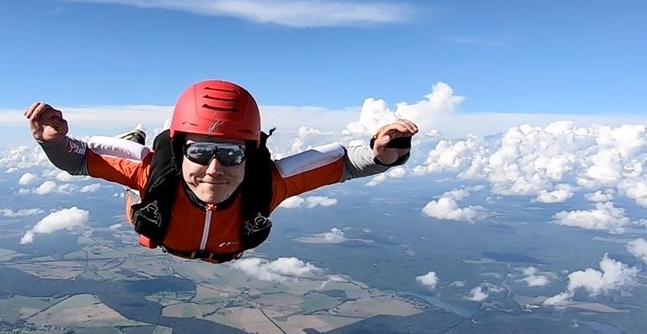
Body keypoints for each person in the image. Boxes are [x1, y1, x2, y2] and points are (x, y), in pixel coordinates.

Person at [25, 79, 417, 263]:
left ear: (250, 155)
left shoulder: (268, 184)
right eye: (201, 152)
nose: (214, 168)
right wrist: (54, 142)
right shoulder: (151, 172)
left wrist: (383, 154)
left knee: (141, 186)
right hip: (158, 214)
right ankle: (133, 144)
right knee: (138, 195)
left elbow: (345, 164)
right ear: (180, 153)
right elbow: (77, 160)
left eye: (231, 154)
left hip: (215, 246)